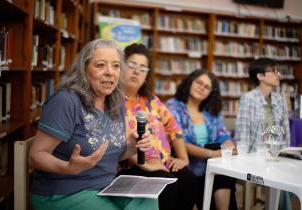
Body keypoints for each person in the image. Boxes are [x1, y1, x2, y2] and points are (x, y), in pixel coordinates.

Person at [28, 39, 158, 210]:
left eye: (116, 66)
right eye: (101, 65)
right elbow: (35, 156)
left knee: (148, 201)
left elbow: (109, 155)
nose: (110, 72)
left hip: (106, 187)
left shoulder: (115, 104)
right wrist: (68, 167)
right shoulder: (66, 101)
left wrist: (132, 147)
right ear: (84, 69)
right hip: (64, 192)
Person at [119, 43, 197, 210]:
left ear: (147, 75)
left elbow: (174, 128)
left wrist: (184, 159)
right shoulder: (113, 101)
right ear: (121, 66)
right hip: (132, 165)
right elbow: (117, 140)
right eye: (131, 65)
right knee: (165, 183)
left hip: (163, 161)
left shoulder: (151, 100)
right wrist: (145, 164)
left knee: (189, 179)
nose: (136, 71)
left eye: (142, 68)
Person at [166, 69, 237, 210]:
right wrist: (213, 154)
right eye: (199, 82)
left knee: (224, 161)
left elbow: (222, 133)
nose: (202, 88)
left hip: (210, 168)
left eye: (207, 87)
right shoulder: (173, 106)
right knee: (218, 157)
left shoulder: (211, 110)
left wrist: (229, 145)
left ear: (211, 92)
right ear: (190, 82)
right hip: (186, 165)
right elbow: (180, 142)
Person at [234, 58, 291, 210]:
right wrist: (243, 162)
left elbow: (285, 133)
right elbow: (242, 135)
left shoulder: (280, 100)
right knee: (284, 182)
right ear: (260, 76)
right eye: (273, 71)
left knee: (297, 175)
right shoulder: (248, 99)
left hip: (277, 156)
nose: (278, 74)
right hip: (255, 158)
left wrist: (286, 155)